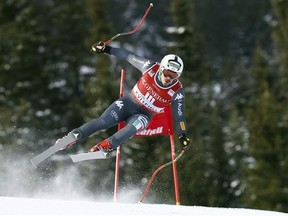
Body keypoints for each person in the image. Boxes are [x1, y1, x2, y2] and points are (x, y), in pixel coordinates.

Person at [55, 42, 190, 153]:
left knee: (133, 127)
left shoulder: (177, 91)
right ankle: (72, 137)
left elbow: (180, 116)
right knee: (103, 122)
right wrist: (106, 49)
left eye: (174, 76)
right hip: (128, 103)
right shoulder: (149, 67)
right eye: (167, 73)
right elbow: (128, 56)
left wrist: (182, 135)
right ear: (161, 68)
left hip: (143, 115)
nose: (169, 78)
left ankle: (107, 145)